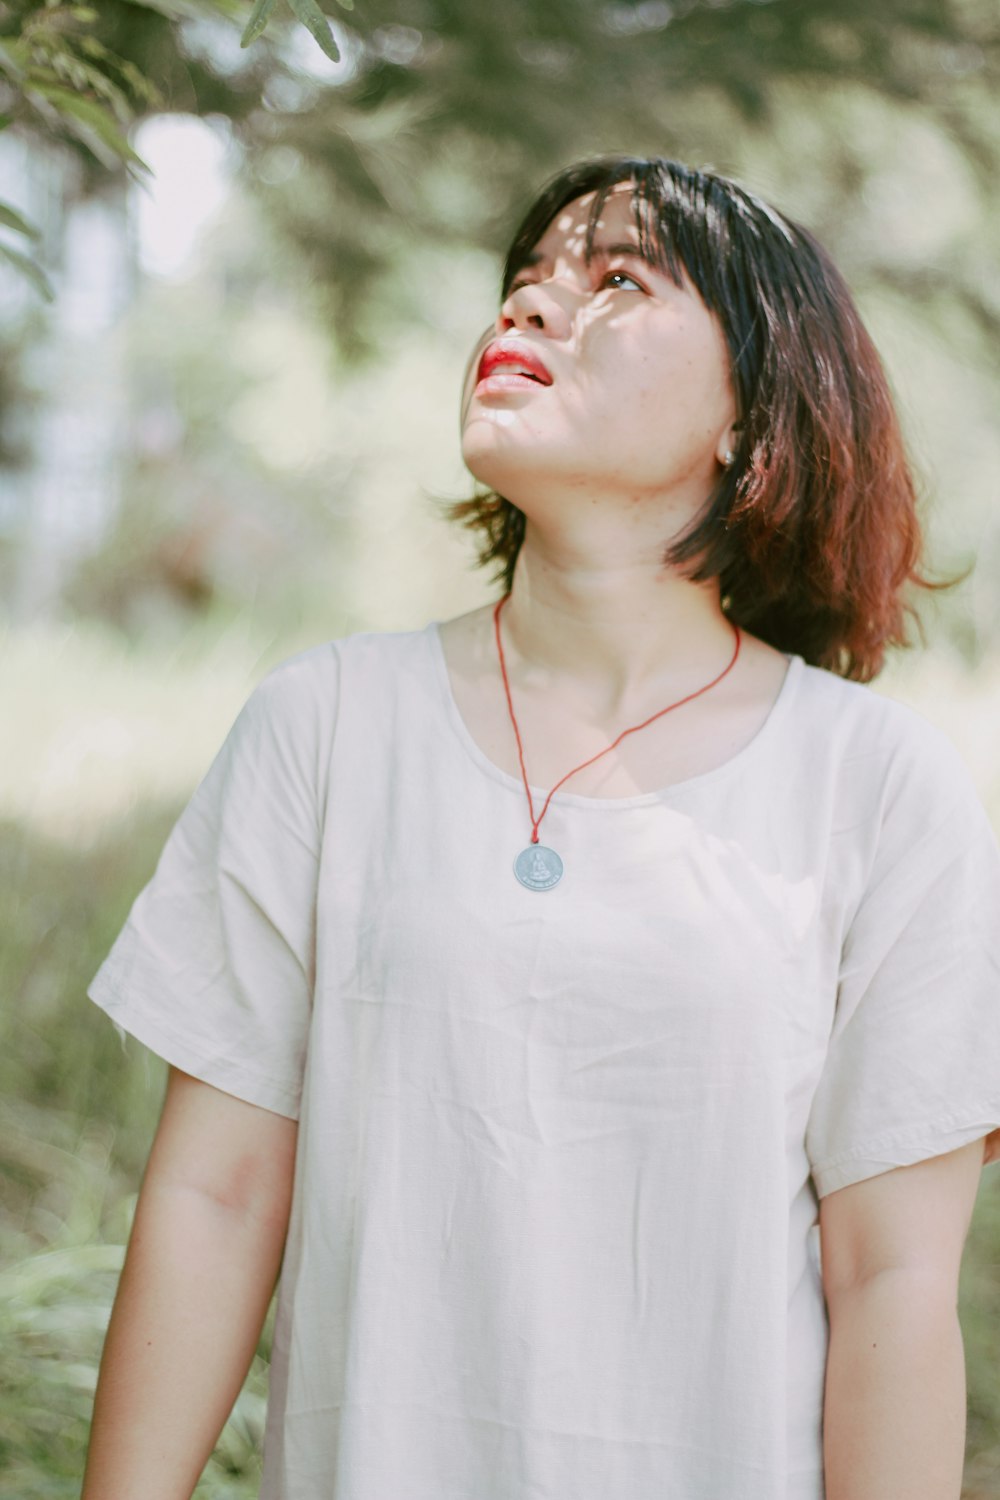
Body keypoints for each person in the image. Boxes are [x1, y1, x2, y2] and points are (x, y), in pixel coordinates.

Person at [82, 155, 1000, 1500]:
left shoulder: (882, 791)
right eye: (525, 278)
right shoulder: (324, 728)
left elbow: (895, 1285)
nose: (532, 306)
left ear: (755, 410)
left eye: (617, 278)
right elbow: (213, 1199)